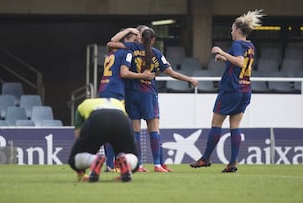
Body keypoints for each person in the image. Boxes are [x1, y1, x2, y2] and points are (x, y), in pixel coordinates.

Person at [108, 27, 198, 172]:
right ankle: (157, 164)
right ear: (154, 40)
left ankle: (139, 165)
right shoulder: (156, 53)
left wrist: (129, 30)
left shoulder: (132, 48)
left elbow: (112, 43)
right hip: (148, 94)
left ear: (140, 38)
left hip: (132, 94)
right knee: (154, 130)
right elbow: (171, 73)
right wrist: (189, 79)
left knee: (135, 132)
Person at [190, 9, 264, 172]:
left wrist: (222, 52)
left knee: (216, 123)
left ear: (237, 30)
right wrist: (225, 59)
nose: (231, 32)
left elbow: (239, 62)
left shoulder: (237, 44)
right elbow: (241, 64)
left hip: (231, 89)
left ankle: (205, 158)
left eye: (232, 29)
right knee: (235, 126)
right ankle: (232, 163)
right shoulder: (250, 46)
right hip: (245, 89)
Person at [98, 30, 155, 172]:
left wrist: (128, 30)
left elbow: (111, 40)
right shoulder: (127, 52)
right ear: (127, 41)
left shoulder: (111, 52)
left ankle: (110, 164)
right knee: (116, 129)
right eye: (134, 39)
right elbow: (124, 73)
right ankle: (112, 164)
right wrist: (143, 75)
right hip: (116, 91)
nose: (137, 42)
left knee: (108, 128)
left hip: (104, 89)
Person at [68, 98, 139, 182]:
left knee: (73, 159)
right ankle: (126, 160)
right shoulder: (117, 102)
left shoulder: (83, 105)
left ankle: (94, 160)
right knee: (133, 157)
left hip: (97, 119)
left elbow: (78, 136)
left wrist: (81, 173)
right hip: (120, 119)